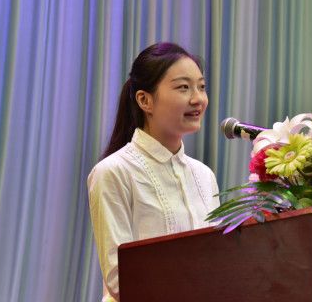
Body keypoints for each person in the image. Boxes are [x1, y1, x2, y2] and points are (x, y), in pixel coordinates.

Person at [87, 42, 220, 302]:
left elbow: (217, 259)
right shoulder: (113, 172)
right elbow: (120, 278)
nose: (198, 99)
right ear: (144, 100)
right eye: (183, 87)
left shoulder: (204, 175)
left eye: (201, 87)